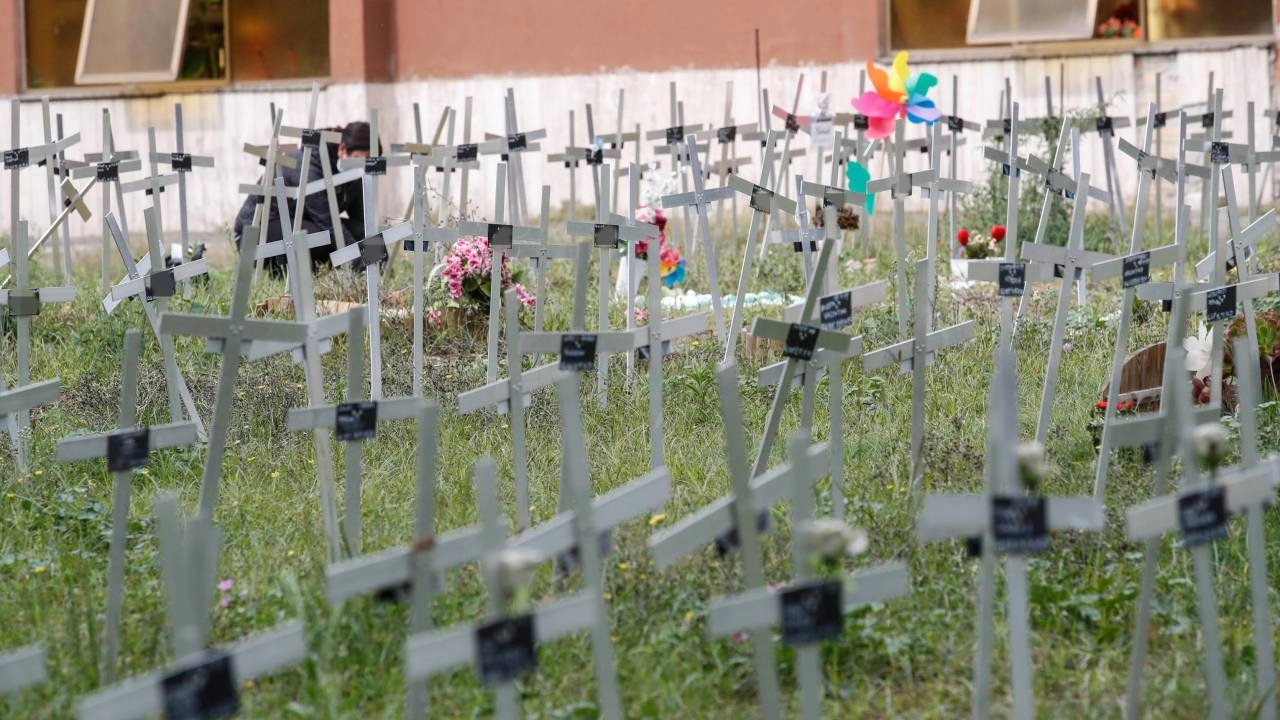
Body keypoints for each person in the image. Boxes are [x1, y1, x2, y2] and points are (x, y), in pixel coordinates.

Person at [232, 121, 375, 274]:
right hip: (257, 233)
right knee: (322, 237)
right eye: (358, 158)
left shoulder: (354, 174)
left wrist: (378, 262)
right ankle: (284, 273)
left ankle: (376, 274)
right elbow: (329, 224)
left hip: (304, 224)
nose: (360, 167)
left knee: (363, 231)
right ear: (342, 149)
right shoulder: (309, 164)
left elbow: (362, 223)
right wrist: (359, 263)